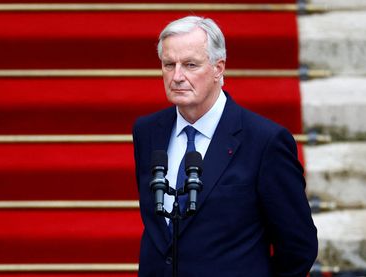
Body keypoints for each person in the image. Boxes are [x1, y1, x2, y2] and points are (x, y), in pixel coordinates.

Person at [132, 15, 318, 277]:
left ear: (218, 68)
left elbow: (299, 246)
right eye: (168, 64)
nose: (177, 76)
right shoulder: (148, 131)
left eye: (190, 65)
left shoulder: (265, 141)